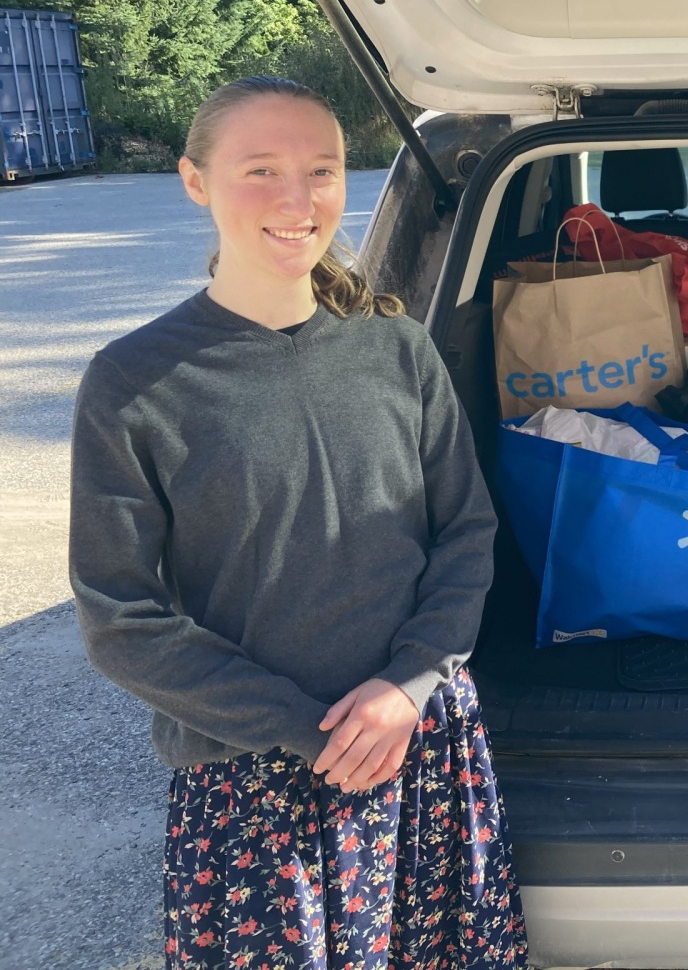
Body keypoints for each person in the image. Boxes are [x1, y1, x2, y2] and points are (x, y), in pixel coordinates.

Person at [68, 77, 527, 969]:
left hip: (418, 744)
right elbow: (121, 620)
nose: (297, 199)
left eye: (321, 170)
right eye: (260, 170)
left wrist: (409, 683)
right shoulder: (133, 383)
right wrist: (308, 730)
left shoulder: (400, 351)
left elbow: (466, 535)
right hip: (253, 779)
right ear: (195, 181)